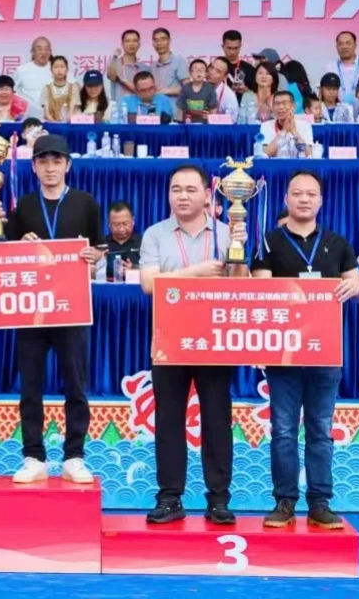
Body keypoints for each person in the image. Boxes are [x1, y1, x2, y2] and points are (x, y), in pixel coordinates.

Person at [250, 170, 359, 530]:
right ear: (286, 199)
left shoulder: (337, 243)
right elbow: (260, 293)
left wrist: (356, 287)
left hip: (325, 353)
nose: (304, 199)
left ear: (320, 201)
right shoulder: (268, 243)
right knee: (283, 430)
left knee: (320, 430)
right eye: (297, 193)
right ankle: (284, 500)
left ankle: (320, 502)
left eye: (311, 194)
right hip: (283, 353)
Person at [139, 164, 247, 525]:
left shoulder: (226, 232)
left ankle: (219, 499)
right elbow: (149, 284)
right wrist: (197, 273)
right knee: (169, 419)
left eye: (190, 189)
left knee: (217, 419)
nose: (182, 196)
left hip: (215, 340)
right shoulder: (155, 234)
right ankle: (170, 497)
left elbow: (241, 285)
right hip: (169, 339)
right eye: (176, 189)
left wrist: (240, 251)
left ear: (207, 195)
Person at [4, 133, 101, 484]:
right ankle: (33, 456)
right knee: (30, 385)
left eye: (56, 161)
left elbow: (98, 252)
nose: (50, 168)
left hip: (72, 307)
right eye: (43, 161)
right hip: (32, 309)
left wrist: (94, 256)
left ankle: (74, 456)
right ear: (33, 166)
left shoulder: (86, 203)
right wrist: (20, 245)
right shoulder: (23, 207)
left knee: (76, 384)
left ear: (68, 165)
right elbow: (8, 258)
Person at [260, 91, 314, 158]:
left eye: (285, 103)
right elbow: (265, 155)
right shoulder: (266, 126)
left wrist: (295, 132)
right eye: (277, 103)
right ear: (273, 107)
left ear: (293, 106)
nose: (280, 107)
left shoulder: (305, 126)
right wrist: (284, 131)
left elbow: (309, 155)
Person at [13, 36, 54, 120]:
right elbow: (12, 93)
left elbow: (74, 88)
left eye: (47, 49)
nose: (43, 52)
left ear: (50, 52)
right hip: (29, 118)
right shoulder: (22, 70)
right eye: (39, 49)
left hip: (53, 117)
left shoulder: (57, 69)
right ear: (32, 52)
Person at [107, 29, 150, 101]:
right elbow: (112, 77)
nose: (131, 44)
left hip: (139, 107)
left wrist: (123, 81)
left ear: (139, 44)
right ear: (122, 44)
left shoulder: (145, 68)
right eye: (127, 41)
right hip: (119, 106)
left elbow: (147, 93)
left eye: (135, 41)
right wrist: (115, 57)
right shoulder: (115, 63)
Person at [324, 31, 359, 109]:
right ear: (336, 47)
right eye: (340, 44)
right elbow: (324, 92)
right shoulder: (330, 66)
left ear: (355, 45)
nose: (344, 47)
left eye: (348, 43)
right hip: (337, 112)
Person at [150, 27, 187, 101]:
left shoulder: (178, 61)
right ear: (153, 44)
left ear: (169, 41)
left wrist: (166, 91)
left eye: (163, 39)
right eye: (156, 40)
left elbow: (189, 89)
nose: (159, 43)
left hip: (174, 107)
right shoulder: (152, 66)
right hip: (157, 107)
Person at [41, 56, 80, 122]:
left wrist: (65, 124)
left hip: (69, 124)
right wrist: (55, 123)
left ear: (67, 70)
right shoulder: (46, 89)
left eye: (62, 67)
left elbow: (72, 111)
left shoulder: (73, 88)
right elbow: (46, 113)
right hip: (52, 124)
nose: (59, 70)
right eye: (56, 67)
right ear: (51, 70)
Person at [106, 200, 141, 272]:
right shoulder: (101, 244)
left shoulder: (144, 242)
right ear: (109, 224)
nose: (121, 229)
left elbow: (151, 268)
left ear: (133, 221)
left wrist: (134, 269)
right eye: (116, 225)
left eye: (125, 223)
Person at [222, 29, 256, 102]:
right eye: (229, 48)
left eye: (236, 48)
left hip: (243, 107)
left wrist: (248, 92)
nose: (232, 52)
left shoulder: (249, 69)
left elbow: (258, 94)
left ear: (240, 46)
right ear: (223, 47)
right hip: (219, 108)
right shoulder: (215, 68)